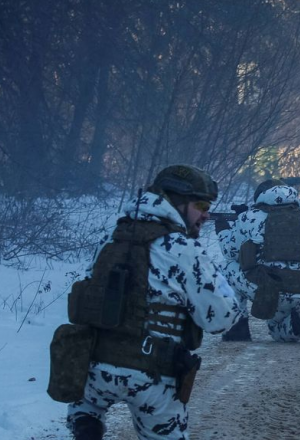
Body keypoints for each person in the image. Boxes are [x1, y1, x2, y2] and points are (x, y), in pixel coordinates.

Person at [56, 165, 244, 440]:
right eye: (201, 204)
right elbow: (220, 319)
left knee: (87, 404)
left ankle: (87, 421)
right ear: (176, 202)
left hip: (95, 367)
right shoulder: (182, 249)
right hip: (152, 375)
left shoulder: (112, 237)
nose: (206, 214)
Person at [218, 179, 300, 345]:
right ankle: (296, 323)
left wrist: (223, 229)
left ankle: (237, 329)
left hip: (268, 290)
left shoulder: (249, 217)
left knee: (227, 268)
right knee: (279, 332)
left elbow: (230, 252)